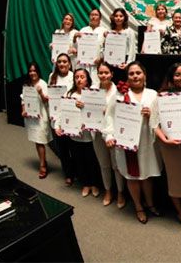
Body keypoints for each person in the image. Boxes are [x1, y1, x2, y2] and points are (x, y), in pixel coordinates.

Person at [105, 62, 161, 224]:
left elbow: (162, 118)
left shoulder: (153, 94)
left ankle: (150, 203)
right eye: (131, 73)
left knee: (147, 175)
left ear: (144, 75)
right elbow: (109, 117)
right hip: (127, 144)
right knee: (132, 176)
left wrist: (151, 114)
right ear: (127, 77)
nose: (135, 76)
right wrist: (109, 135)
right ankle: (138, 206)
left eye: (138, 73)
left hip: (147, 143)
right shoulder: (119, 95)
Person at [151, 63, 181, 229]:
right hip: (170, 146)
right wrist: (165, 140)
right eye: (178, 75)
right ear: (171, 77)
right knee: (175, 180)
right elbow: (154, 123)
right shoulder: (161, 97)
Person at [57, 68, 102, 197]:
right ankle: (86, 184)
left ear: (87, 79)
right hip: (74, 136)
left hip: (89, 136)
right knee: (79, 160)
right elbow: (62, 112)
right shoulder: (69, 94)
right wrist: (58, 125)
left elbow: (99, 112)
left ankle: (94, 184)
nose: (79, 79)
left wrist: (85, 106)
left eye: (82, 77)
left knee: (92, 161)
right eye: (77, 77)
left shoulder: (93, 94)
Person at [95, 62, 126, 207]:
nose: (103, 75)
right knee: (104, 164)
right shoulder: (93, 91)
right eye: (100, 73)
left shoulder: (119, 90)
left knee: (117, 165)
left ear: (112, 74)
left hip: (114, 134)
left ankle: (120, 192)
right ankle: (108, 191)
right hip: (97, 131)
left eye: (106, 72)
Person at [21, 62, 51, 179]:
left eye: (34, 70)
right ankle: (43, 161)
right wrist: (23, 110)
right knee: (37, 141)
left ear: (38, 71)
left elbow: (46, 101)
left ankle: (43, 165)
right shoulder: (27, 84)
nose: (32, 73)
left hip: (41, 117)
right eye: (30, 71)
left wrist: (41, 93)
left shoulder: (42, 83)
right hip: (31, 117)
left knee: (40, 141)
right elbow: (23, 100)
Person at [49, 53, 75, 186]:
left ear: (69, 64)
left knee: (73, 149)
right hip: (56, 118)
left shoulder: (73, 76)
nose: (62, 64)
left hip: (71, 117)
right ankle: (68, 174)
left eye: (65, 61)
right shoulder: (52, 76)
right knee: (62, 150)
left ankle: (78, 172)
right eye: (59, 62)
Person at [76, 9, 108, 86]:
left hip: (97, 64)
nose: (93, 17)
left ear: (100, 18)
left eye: (96, 15)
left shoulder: (104, 31)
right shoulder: (83, 30)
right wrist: (75, 38)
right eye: (92, 15)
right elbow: (77, 48)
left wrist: (101, 58)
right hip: (84, 64)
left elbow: (107, 48)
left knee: (96, 85)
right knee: (83, 85)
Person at [107, 8, 137, 75]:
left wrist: (128, 63)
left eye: (121, 16)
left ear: (125, 18)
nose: (118, 18)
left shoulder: (129, 31)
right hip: (111, 61)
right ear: (113, 17)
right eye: (116, 16)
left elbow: (132, 49)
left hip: (124, 62)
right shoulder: (109, 32)